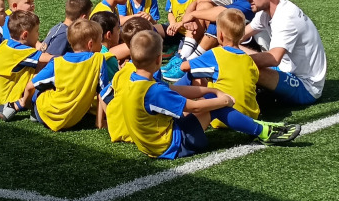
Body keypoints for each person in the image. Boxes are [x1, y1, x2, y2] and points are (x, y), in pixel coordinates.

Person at [122, 30, 301, 159]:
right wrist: (222, 100)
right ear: (159, 59)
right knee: (214, 105)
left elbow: (173, 89)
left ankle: (257, 126)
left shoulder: (134, 79)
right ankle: (263, 132)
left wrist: (210, 90)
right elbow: (194, 107)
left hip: (153, 143)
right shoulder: (154, 91)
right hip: (174, 146)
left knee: (209, 98)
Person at [237, 0, 327, 105]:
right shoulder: (266, 13)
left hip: (306, 87)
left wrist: (234, 61)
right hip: (286, 69)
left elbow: (273, 58)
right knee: (233, 50)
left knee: (246, 67)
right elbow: (238, 37)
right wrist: (225, 47)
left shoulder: (286, 17)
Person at [19, 19, 109, 131]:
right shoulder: (99, 60)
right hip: (73, 120)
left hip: (45, 115)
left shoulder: (57, 62)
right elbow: (103, 93)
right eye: (100, 41)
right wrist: (99, 122)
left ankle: (31, 111)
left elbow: (30, 86)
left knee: (41, 84)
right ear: (90, 44)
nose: (101, 44)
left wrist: (26, 104)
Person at [177, 8, 260, 128]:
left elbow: (184, 67)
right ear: (242, 35)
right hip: (249, 116)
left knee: (191, 75)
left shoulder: (216, 54)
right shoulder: (249, 59)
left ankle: (172, 102)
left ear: (220, 34)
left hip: (221, 117)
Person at [101, 17, 157, 143]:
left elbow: (102, 96)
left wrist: (104, 122)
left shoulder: (121, 73)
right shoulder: (150, 72)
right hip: (141, 133)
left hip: (118, 131)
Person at [0, 10, 52, 119]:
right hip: (8, 96)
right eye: (36, 31)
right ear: (25, 35)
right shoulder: (20, 52)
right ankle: (22, 105)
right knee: (46, 68)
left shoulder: (7, 43)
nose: (38, 34)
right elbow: (52, 58)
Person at [160, 0, 207, 80]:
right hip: (176, 29)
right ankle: (174, 52)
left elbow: (201, 17)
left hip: (191, 32)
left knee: (183, 51)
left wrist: (180, 24)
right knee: (154, 30)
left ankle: (180, 59)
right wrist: (173, 23)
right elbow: (170, 12)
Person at [90, 11, 121, 81]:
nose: (119, 32)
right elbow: (116, 83)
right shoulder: (109, 59)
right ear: (109, 35)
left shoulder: (88, 51)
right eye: (118, 29)